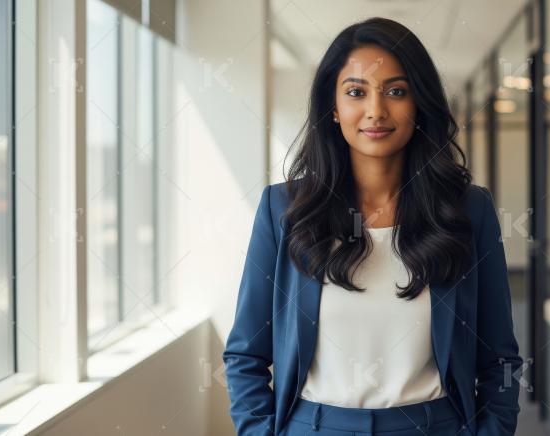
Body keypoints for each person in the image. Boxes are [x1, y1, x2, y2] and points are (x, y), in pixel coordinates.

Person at [223, 16, 523, 436]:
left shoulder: (469, 210)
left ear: (419, 104)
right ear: (333, 107)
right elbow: (245, 354)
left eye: (396, 92)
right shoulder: (284, 209)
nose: (376, 111)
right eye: (356, 92)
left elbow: (499, 358)